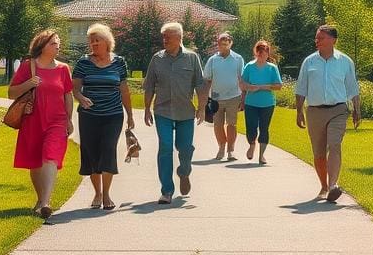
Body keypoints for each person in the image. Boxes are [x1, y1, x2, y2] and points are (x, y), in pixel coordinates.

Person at [8, 29, 74, 220]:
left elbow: (67, 95)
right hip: (33, 120)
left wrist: (68, 119)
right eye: (53, 43)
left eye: (58, 42)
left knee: (50, 156)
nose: (57, 45)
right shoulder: (28, 66)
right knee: (35, 162)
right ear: (42, 45)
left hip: (57, 121)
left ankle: (45, 203)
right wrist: (29, 84)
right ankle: (40, 201)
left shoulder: (63, 69)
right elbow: (11, 93)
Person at [294, 24, 361, 203]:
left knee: (335, 145)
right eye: (316, 38)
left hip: (338, 110)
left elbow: (352, 87)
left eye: (321, 38)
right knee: (319, 153)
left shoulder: (345, 61)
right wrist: (299, 111)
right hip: (315, 111)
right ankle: (324, 186)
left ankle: (333, 186)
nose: (317, 41)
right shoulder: (309, 62)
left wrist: (357, 110)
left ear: (333, 40)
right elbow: (301, 88)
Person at [143, 21, 207, 204]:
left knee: (185, 148)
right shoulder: (157, 59)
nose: (164, 40)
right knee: (165, 146)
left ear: (179, 38)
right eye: (163, 37)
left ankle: (184, 171)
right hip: (162, 110)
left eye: (168, 37)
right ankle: (167, 190)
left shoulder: (192, 58)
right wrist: (147, 108)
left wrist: (202, 108)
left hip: (185, 111)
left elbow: (200, 85)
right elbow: (149, 86)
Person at [72, 23, 134, 211]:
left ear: (107, 41)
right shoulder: (83, 62)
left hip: (113, 115)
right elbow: (74, 88)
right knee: (91, 153)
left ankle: (106, 194)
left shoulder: (119, 62)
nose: (93, 44)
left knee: (108, 150)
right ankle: (97, 193)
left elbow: (124, 90)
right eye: (91, 42)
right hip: (89, 116)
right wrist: (81, 98)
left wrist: (130, 115)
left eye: (96, 40)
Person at [240, 39, 283, 164]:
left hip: (267, 103)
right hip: (251, 103)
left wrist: (263, 87)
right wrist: (249, 87)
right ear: (256, 52)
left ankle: (261, 155)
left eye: (264, 51)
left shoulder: (272, 68)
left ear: (268, 53)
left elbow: (278, 86)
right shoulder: (249, 66)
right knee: (251, 128)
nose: (261, 54)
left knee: (264, 128)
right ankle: (252, 144)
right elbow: (242, 84)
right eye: (259, 51)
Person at [203, 31, 244, 161]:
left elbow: (241, 78)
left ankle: (231, 151)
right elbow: (207, 80)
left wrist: (243, 98)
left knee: (232, 124)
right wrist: (204, 99)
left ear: (231, 44)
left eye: (226, 44)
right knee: (217, 125)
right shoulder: (212, 60)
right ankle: (221, 147)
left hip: (234, 96)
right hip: (216, 98)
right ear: (218, 44)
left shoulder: (238, 59)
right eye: (221, 44)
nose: (224, 46)